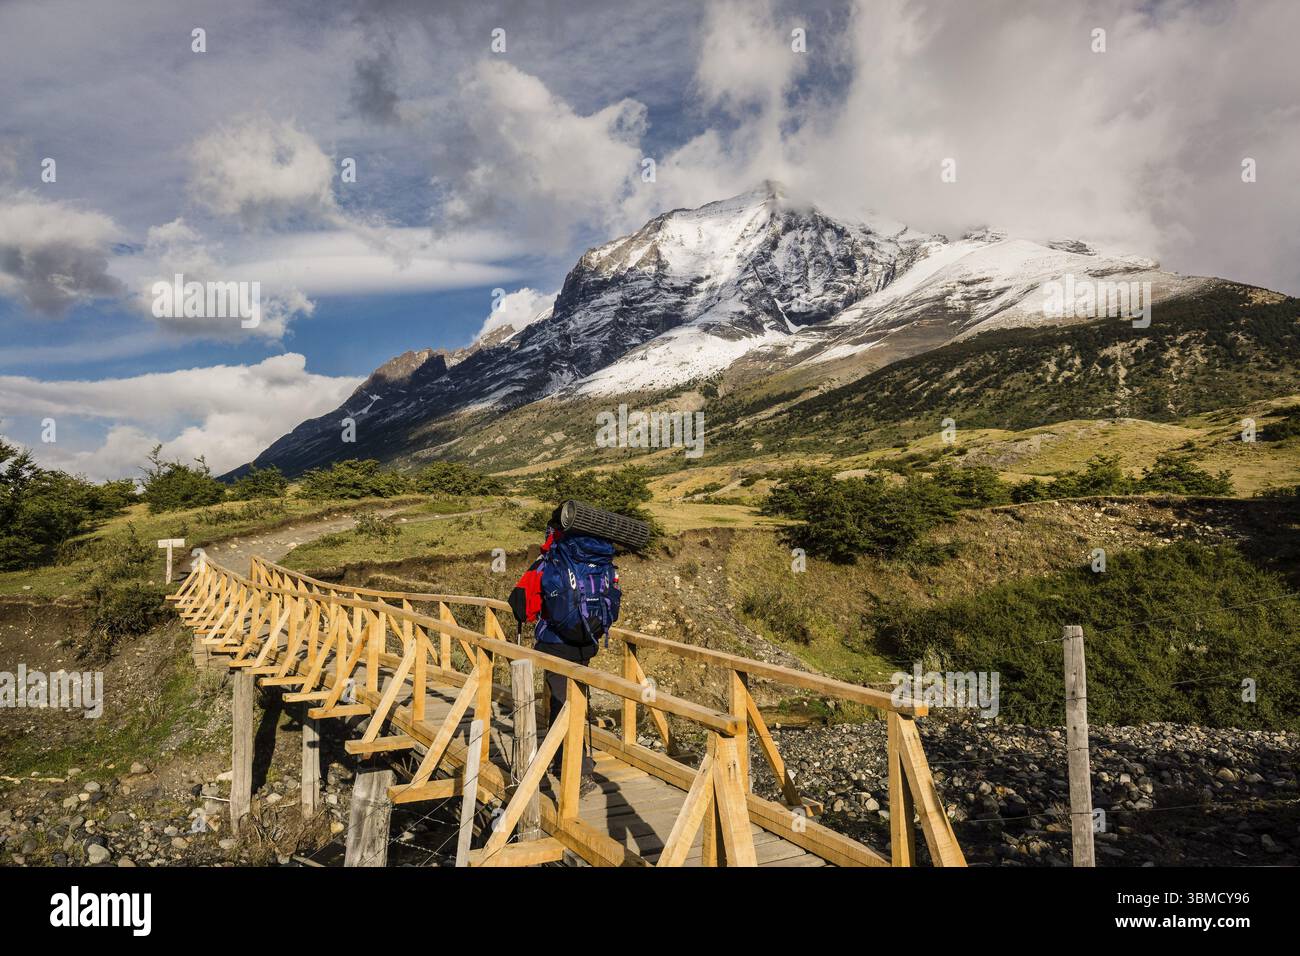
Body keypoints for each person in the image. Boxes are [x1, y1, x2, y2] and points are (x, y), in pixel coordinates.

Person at [509, 506, 622, 794]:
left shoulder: (550, 560)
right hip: (587, 642)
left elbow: (522, 607)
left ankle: (579, 773)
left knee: (562, 707)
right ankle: (565, 762)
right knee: (575, 702)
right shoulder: (598, 559)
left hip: (556, 645)